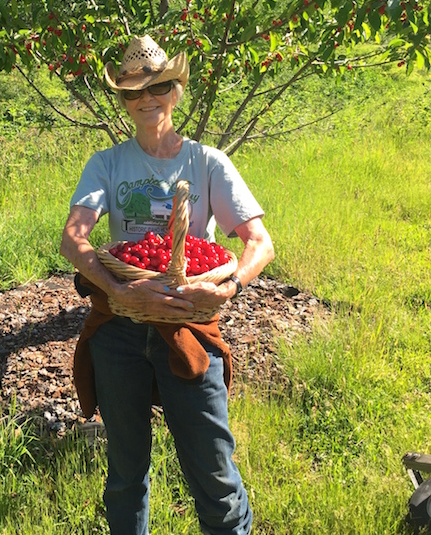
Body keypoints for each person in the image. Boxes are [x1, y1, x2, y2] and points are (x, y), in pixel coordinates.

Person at [60, 34, 274, 535]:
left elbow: (259, 242)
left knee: (212, 467)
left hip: (188, 325)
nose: (146, 99)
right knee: (125, 471)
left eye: (158, 87)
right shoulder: (106, 164)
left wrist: (230, 287)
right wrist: (119, 290)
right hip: (121, 328)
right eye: (134, 92)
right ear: (124, 102)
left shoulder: (207, 162)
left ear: (176, 91)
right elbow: (75, 239)